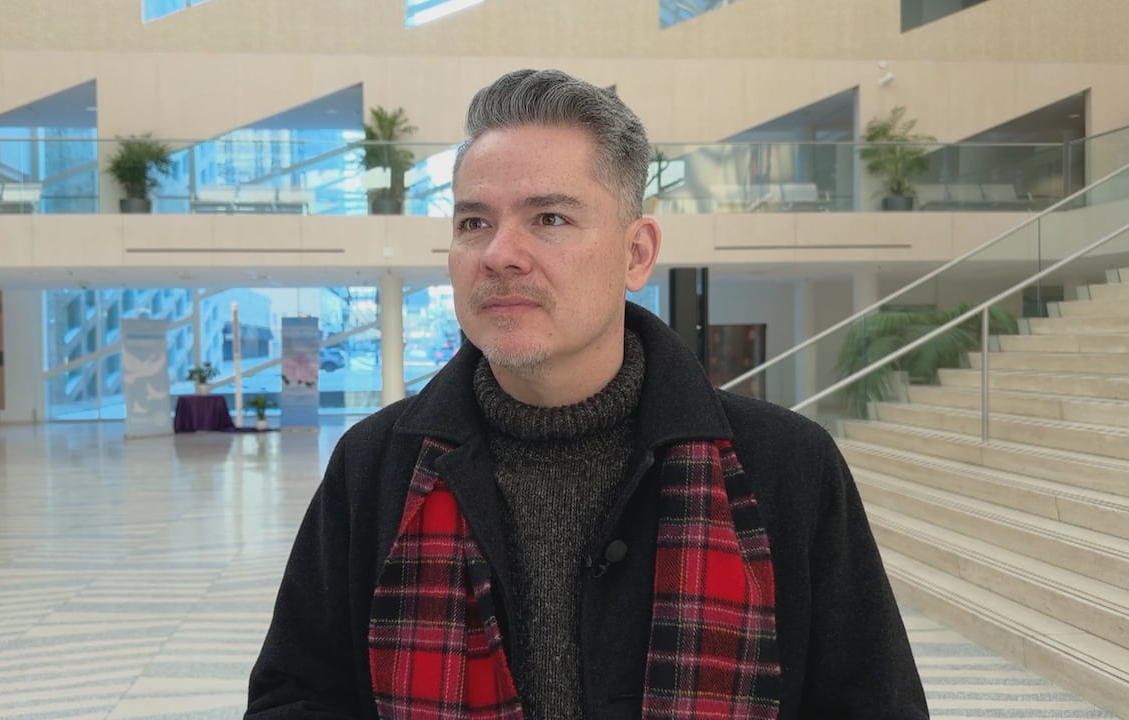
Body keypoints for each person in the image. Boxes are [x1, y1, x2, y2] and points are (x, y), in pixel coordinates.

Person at [246, 68, 929, 719]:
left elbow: (870, 704)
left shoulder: (786, 468)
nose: (499, 254)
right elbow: (295, 695)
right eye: (473, 222)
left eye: (549, 218)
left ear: (637, 254)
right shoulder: (374, 468)